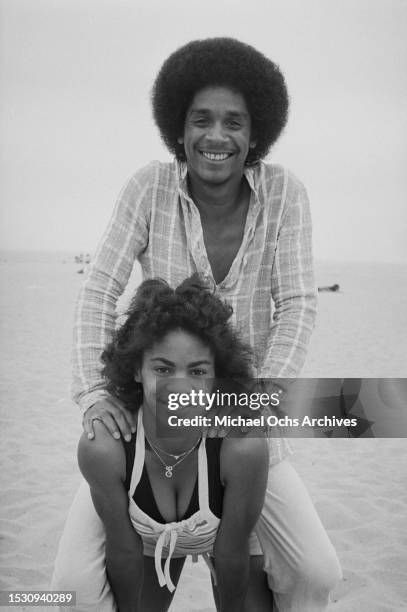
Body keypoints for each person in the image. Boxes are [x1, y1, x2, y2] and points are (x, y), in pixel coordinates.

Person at [64, 38, 341, 610]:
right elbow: (99, 292)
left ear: (256, 131)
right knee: (69, 592)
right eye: (201, 120)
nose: (217, 136)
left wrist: (253, 405)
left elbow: (298, 304)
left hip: (242, 417)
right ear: (178, 127)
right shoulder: (149, 186)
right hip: (152, 420)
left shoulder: (285, 194)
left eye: (234, 122)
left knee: (316, 574)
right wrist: (95, 395)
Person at [56, 277, 271, 611]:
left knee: (314, 572)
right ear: (137, 369)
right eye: (162, 368)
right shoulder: (105, 449)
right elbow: (123, 550)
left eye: (198, 372)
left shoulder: (241, 447)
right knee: (73, 588)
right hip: (147, 545)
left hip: (227, 539)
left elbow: (231, 554)